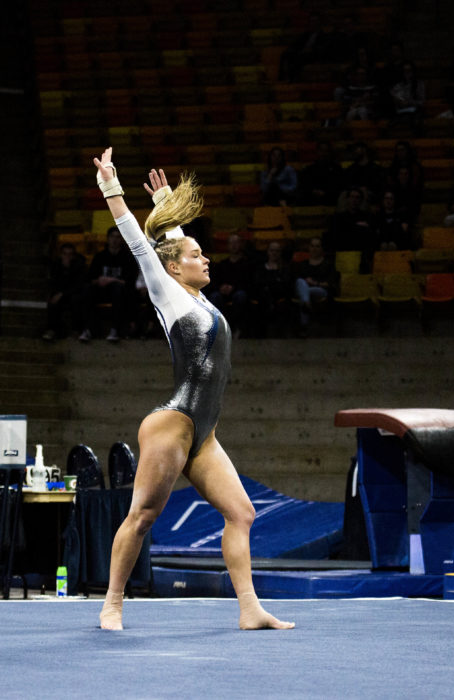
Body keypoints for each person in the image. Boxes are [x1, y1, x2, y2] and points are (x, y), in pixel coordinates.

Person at [92, 146, 293, 631]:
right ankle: (111, 604)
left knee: (241, 512)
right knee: (142, 515)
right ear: (176, 269)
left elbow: (173, 248)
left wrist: (167, 206)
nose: (207, 260)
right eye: (196, 255)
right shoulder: (169, 294)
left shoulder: (197, 296)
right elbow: (144, 248)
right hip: (173, 425)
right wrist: (112, 189)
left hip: (204, 432)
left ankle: (249, 610)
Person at [79, 226, 138, 342]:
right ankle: (87, 330)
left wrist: (111, 280)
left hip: (121, 292)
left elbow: (129, 281)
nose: (115, 240)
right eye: (112, 237)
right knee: (87, 290)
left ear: (121, 239)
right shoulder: (100, 256)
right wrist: (99, 280)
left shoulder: (127, 258)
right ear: (108, 239)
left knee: (117, 289)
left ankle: (114, 329)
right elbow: (91, 278)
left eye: (117, 237)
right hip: (101, 290)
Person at [206, 233, 253, 337]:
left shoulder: (247, 264)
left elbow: (248, 282)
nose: (234, 245)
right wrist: (220, 287)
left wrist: (233, 288)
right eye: (231, 243)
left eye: (236, 242)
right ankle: (220, 329)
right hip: (222, 293)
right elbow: (214, 281)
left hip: (238, 292)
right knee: (214, 296)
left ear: (241, 244)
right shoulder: (222, 264)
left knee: (241, 296)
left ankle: (236, 327)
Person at [291, 237, 340, 336]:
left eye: (317, 246)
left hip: (320, 290)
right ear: (309, 248)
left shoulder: (328, 264)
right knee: (300, 282)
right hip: (303, 289)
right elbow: (296, 280)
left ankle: (304, 324)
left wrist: (314, 283)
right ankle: (306, 303)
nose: (314, 249)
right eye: (312, 246)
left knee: (305, 291)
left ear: (322, 249)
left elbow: (329, 283)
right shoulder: (302, 264)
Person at [42, 242, 87, 341]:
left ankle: (75, 330)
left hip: (73, 294)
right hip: (61, 293)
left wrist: (62, 294)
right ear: (61, 254)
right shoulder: (56, 265)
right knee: (53, 302)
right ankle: (51, 330)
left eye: (70, 254)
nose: (67, 257)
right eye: (64, 254)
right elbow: (54, 282)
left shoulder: (78, 266)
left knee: (76, 301)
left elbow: (78, 285)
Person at [252, 240, 293, 337]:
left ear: (280, 253)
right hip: (263, 300)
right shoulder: (260, 269)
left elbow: (286, 286)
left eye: (277, 251)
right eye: (272, 250)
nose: (274, 253)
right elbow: (257, 285)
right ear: (268, 252)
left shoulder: (285, 268)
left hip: (281, 299)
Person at [296, 141, 344, 206]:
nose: (323, 153)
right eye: (321, 150)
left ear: (329, 152)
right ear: (317, 152)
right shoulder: (309, 169)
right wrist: (313, 191)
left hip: (331, 199)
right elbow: (305, 185)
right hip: (311, 200)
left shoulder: (337, 169)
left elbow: (339, 185)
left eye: (326, 151)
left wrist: (326, 193)